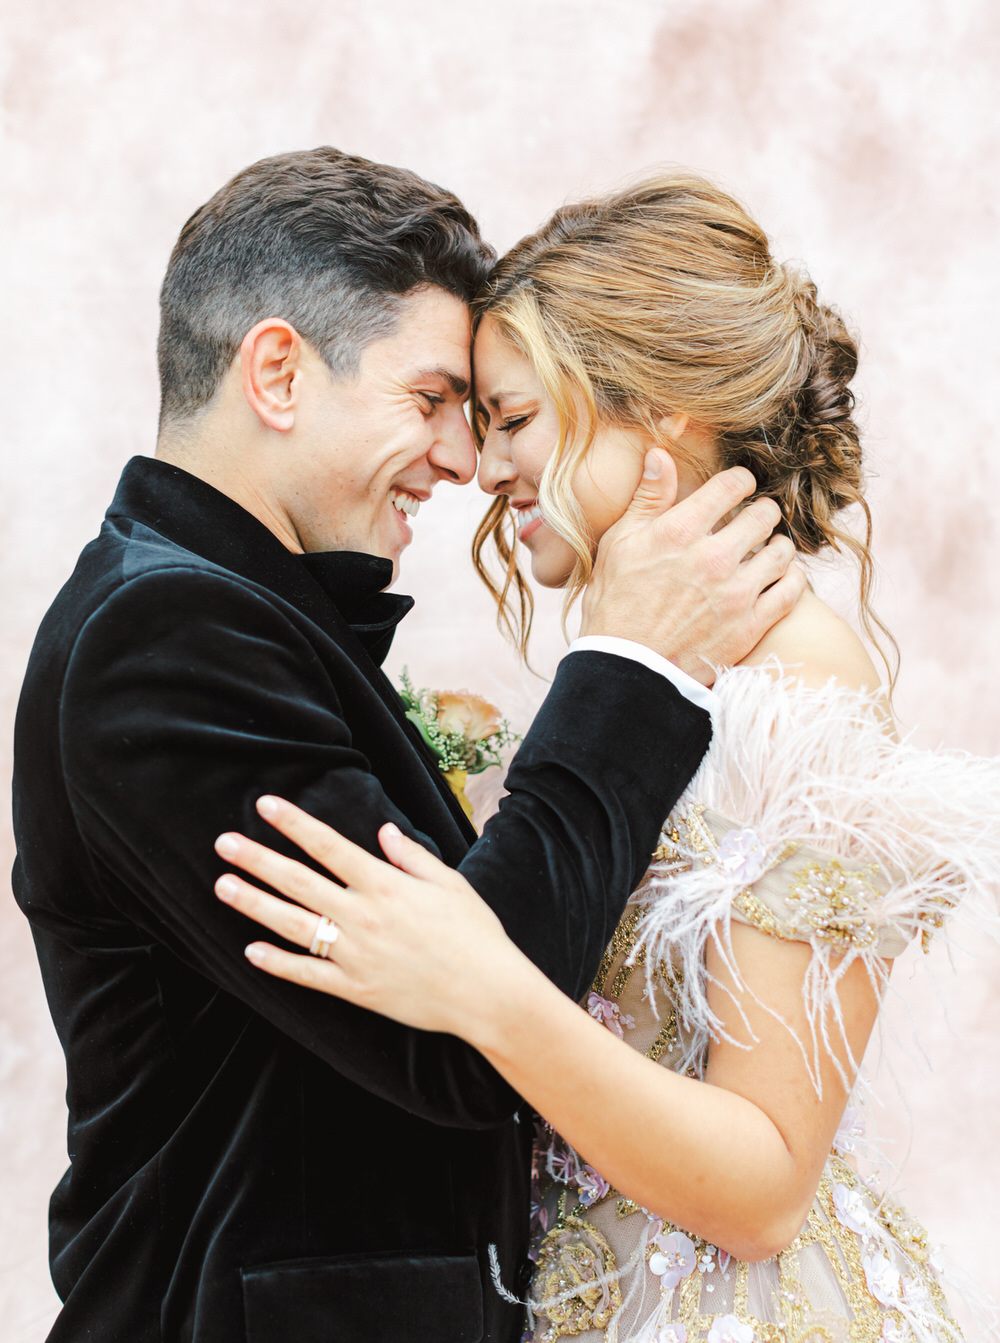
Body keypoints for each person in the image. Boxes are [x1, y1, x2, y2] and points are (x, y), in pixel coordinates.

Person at [11, 151, 801, 1343]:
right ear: (277, 371)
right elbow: (458, 1032)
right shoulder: (160, 636)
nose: (459, 460)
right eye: (431, 399)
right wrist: (632, 663)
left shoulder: (236, 610)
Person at [216, 173, 1000, 1343]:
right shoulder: (648, 678)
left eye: (515, 418)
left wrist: (485, 989)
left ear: (664, 415)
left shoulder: (793, 684)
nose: (482, 469)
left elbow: (765, 1184)